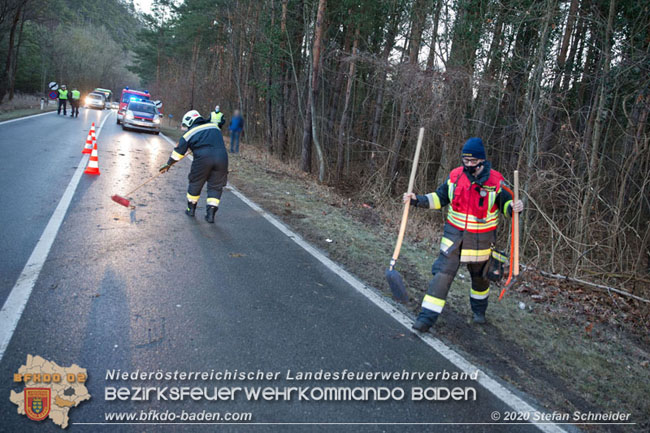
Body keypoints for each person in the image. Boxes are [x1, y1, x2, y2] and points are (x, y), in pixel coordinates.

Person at [404, 137, 523, 331]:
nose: (468, 165)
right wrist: (417, 199)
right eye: (465, 161)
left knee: (480, 280)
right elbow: (439, 198)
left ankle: (479, 312)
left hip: (481, 242)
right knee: (441, 276)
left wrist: (515, 207)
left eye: (472, 161)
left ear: (482, 161)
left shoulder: (496, 182)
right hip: (454, 239)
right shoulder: (455, 176)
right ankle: (425, 319)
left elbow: (507, 206)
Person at [159, 110, 228, 223]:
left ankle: (191, 209)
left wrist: (169, 164)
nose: (186, 127)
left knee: (196, 182)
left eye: (186, 125)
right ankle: (211, 214)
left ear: (190, 121)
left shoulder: (189, 134)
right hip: (222, 158)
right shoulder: (214, 127)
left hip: (203, 159)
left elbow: (178, 153)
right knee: (216, 186)